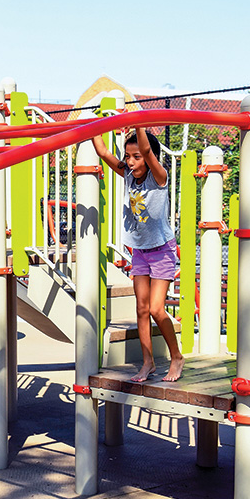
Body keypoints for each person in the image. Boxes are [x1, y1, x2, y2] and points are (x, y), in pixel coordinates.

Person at [92, 128, 184, 382]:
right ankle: (147, 363)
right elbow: (102, 151)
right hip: (140, 251)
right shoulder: (128, 174)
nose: (131, 161)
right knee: (141, 309)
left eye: (137, 156)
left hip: (162, 250)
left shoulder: (159, 176)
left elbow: (146, 149)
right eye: (128, 156)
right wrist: (92, 125)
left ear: (149, 157)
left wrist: (139, 124)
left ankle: (176, 357)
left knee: (156, 308)